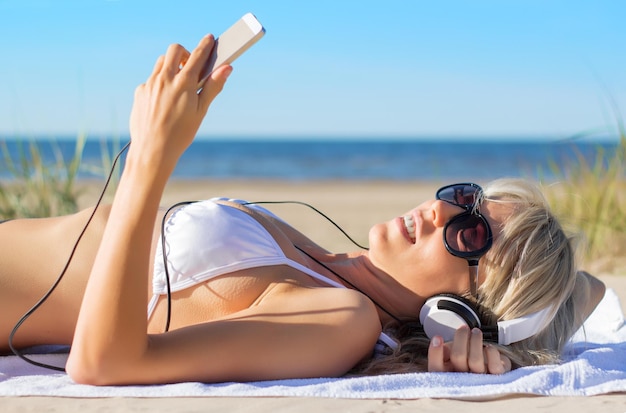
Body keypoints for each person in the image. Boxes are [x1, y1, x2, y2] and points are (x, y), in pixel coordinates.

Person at [0, 35, 605, 385]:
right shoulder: (326, 264)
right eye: (463, 199)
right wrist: (519, 328)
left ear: (458, 314)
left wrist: (151, 157)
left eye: (471, 235)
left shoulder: (342, 318)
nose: (442, 213)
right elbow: (592, 289)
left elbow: (103, 364)